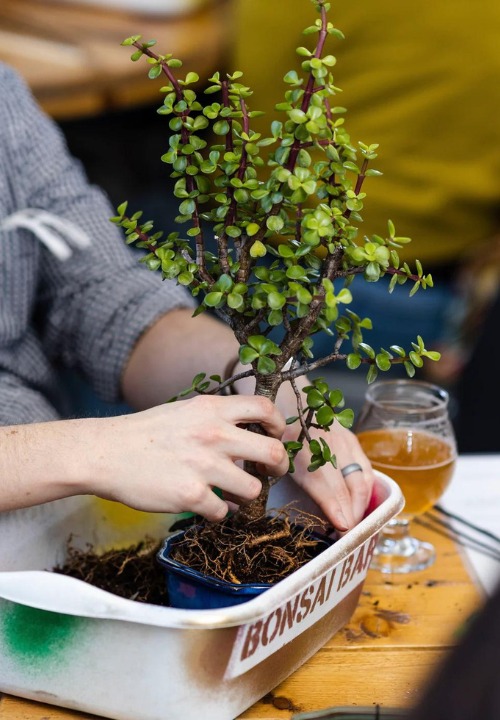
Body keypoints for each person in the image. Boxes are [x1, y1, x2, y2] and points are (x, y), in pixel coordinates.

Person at [0, 61, 375, 531]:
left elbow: (102, 295)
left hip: (51, 530)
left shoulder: (3, 95)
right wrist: (91, 449)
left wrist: (256, 381)